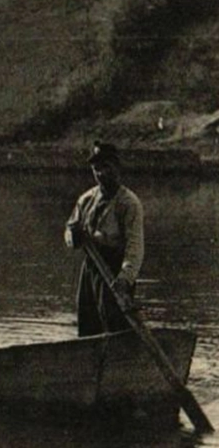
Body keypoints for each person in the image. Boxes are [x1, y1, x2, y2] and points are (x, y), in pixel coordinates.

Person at [64, 141, 144, 336]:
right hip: (91, 267)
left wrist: (125, 278)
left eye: (106, 168)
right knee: (88, 323)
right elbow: (69, 231)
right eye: (96, 169)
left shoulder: (129, 204)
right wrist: (73, 236)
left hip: (114, 269)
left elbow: (135, 247)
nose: (100, 174)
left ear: (117, 168)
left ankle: (120, 363)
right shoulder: (86, 200)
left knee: (115, 326)